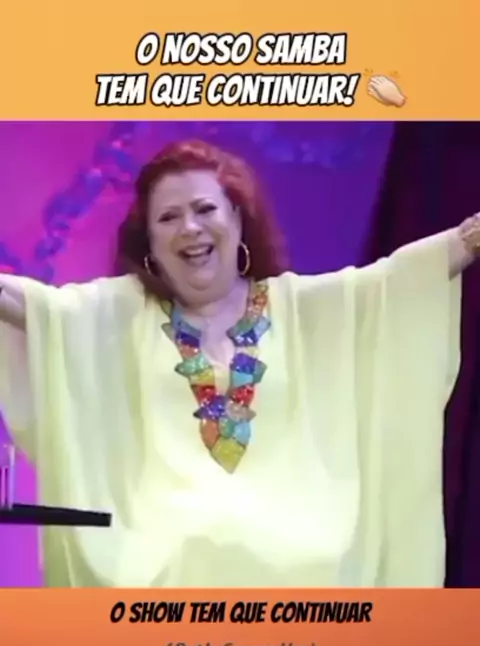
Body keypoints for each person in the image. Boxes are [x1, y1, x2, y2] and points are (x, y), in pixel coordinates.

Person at [0, 138, 479, 588]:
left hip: (294, 546)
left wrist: (468, 239)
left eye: (205, 209)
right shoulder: (123, 310)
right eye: (168, 217)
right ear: (150, 244)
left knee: (312, 560)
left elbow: (390, 286)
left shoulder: (295, 305)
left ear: (237, 217)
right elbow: (40, 311)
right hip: (161, 552)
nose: (190, 227)